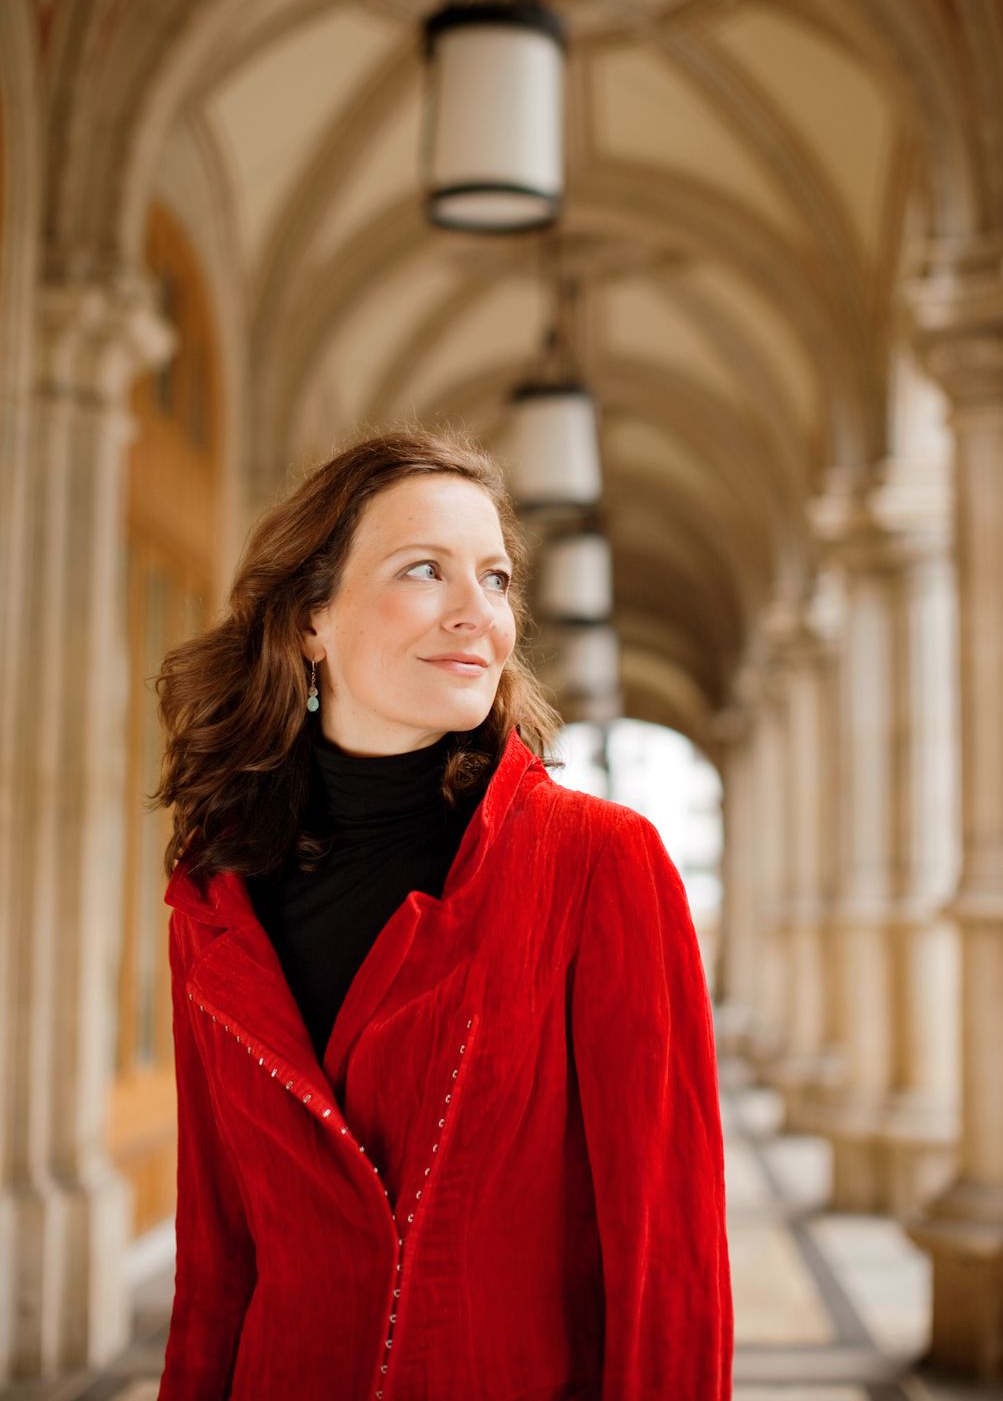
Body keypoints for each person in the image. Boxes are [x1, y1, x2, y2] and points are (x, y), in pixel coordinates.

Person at [154, 424, 733, 1400]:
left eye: (495, 579)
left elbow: (667, 1261)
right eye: (424, 570)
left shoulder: (598, 862)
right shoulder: (215, 899)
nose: (478, 613)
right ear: (308, 619)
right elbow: (216, 1258)